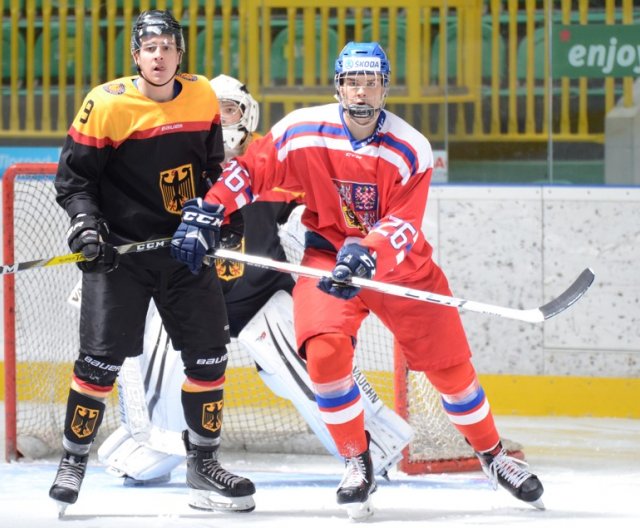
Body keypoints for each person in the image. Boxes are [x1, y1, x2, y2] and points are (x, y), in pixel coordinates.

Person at [170, 41, 545, 520]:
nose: (361, 91)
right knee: (324, 356)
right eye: (352, 81)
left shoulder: (412, 147)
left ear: (385, 86)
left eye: (371, 81)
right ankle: (355, 460)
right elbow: (252, 171)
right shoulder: (302, 129)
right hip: (328, 258)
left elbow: (405, 225)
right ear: (338, 86)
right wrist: (212, 207)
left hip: (398, 264)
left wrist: (367, 254)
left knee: (450, 372)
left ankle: (492, 457)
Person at [96, 73, 412, 488]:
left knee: (317, 365)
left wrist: (343, 248)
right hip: (184, 301)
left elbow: (313, 215)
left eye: (228, 109)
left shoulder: (278, 158)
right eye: (211, 110)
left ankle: (368, 446)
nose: (220, 119)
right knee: (150, 443)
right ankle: (162, 446)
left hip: (260, 298)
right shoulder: (169, 158)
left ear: (248, 114)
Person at [48, 10, 255, 515]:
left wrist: (221, 217)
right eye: (149, 47)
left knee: (209, 357)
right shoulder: (106, 103)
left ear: (180, 53)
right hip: (121, 254)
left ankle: (203, 462)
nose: (158, 56)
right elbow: (74, 182)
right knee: (99, 364)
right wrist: (86, 226)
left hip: (183, 250)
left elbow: (211, 170)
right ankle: (74, 459)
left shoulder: (203, 95)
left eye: (167, 46)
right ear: (136, 55)